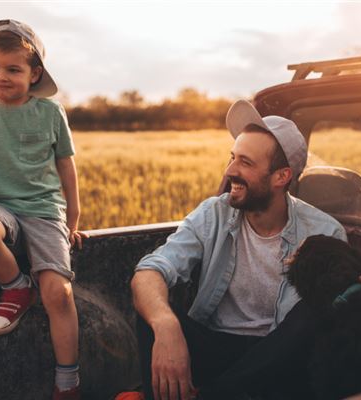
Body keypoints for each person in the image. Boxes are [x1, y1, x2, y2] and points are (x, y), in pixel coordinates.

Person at [128, 100, 348, 400]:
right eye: (232, 157)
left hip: (281, 359)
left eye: (245, 162)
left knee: (314, 310)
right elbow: (149, 271)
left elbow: (325, 329)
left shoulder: (325, 232)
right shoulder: (213, 214)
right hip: (218, 348)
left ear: (281, 177)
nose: (230, 170)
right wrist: (165, 324)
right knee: (151, 311)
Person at [0, 19, 86, 400]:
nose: (0, 76)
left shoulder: (51, 113)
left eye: (13, 69)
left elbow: (66, 169)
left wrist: (72, 221)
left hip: (44, 211)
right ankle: (17, 288)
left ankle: (67, 381)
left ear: (34, 72)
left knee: (59, 293)